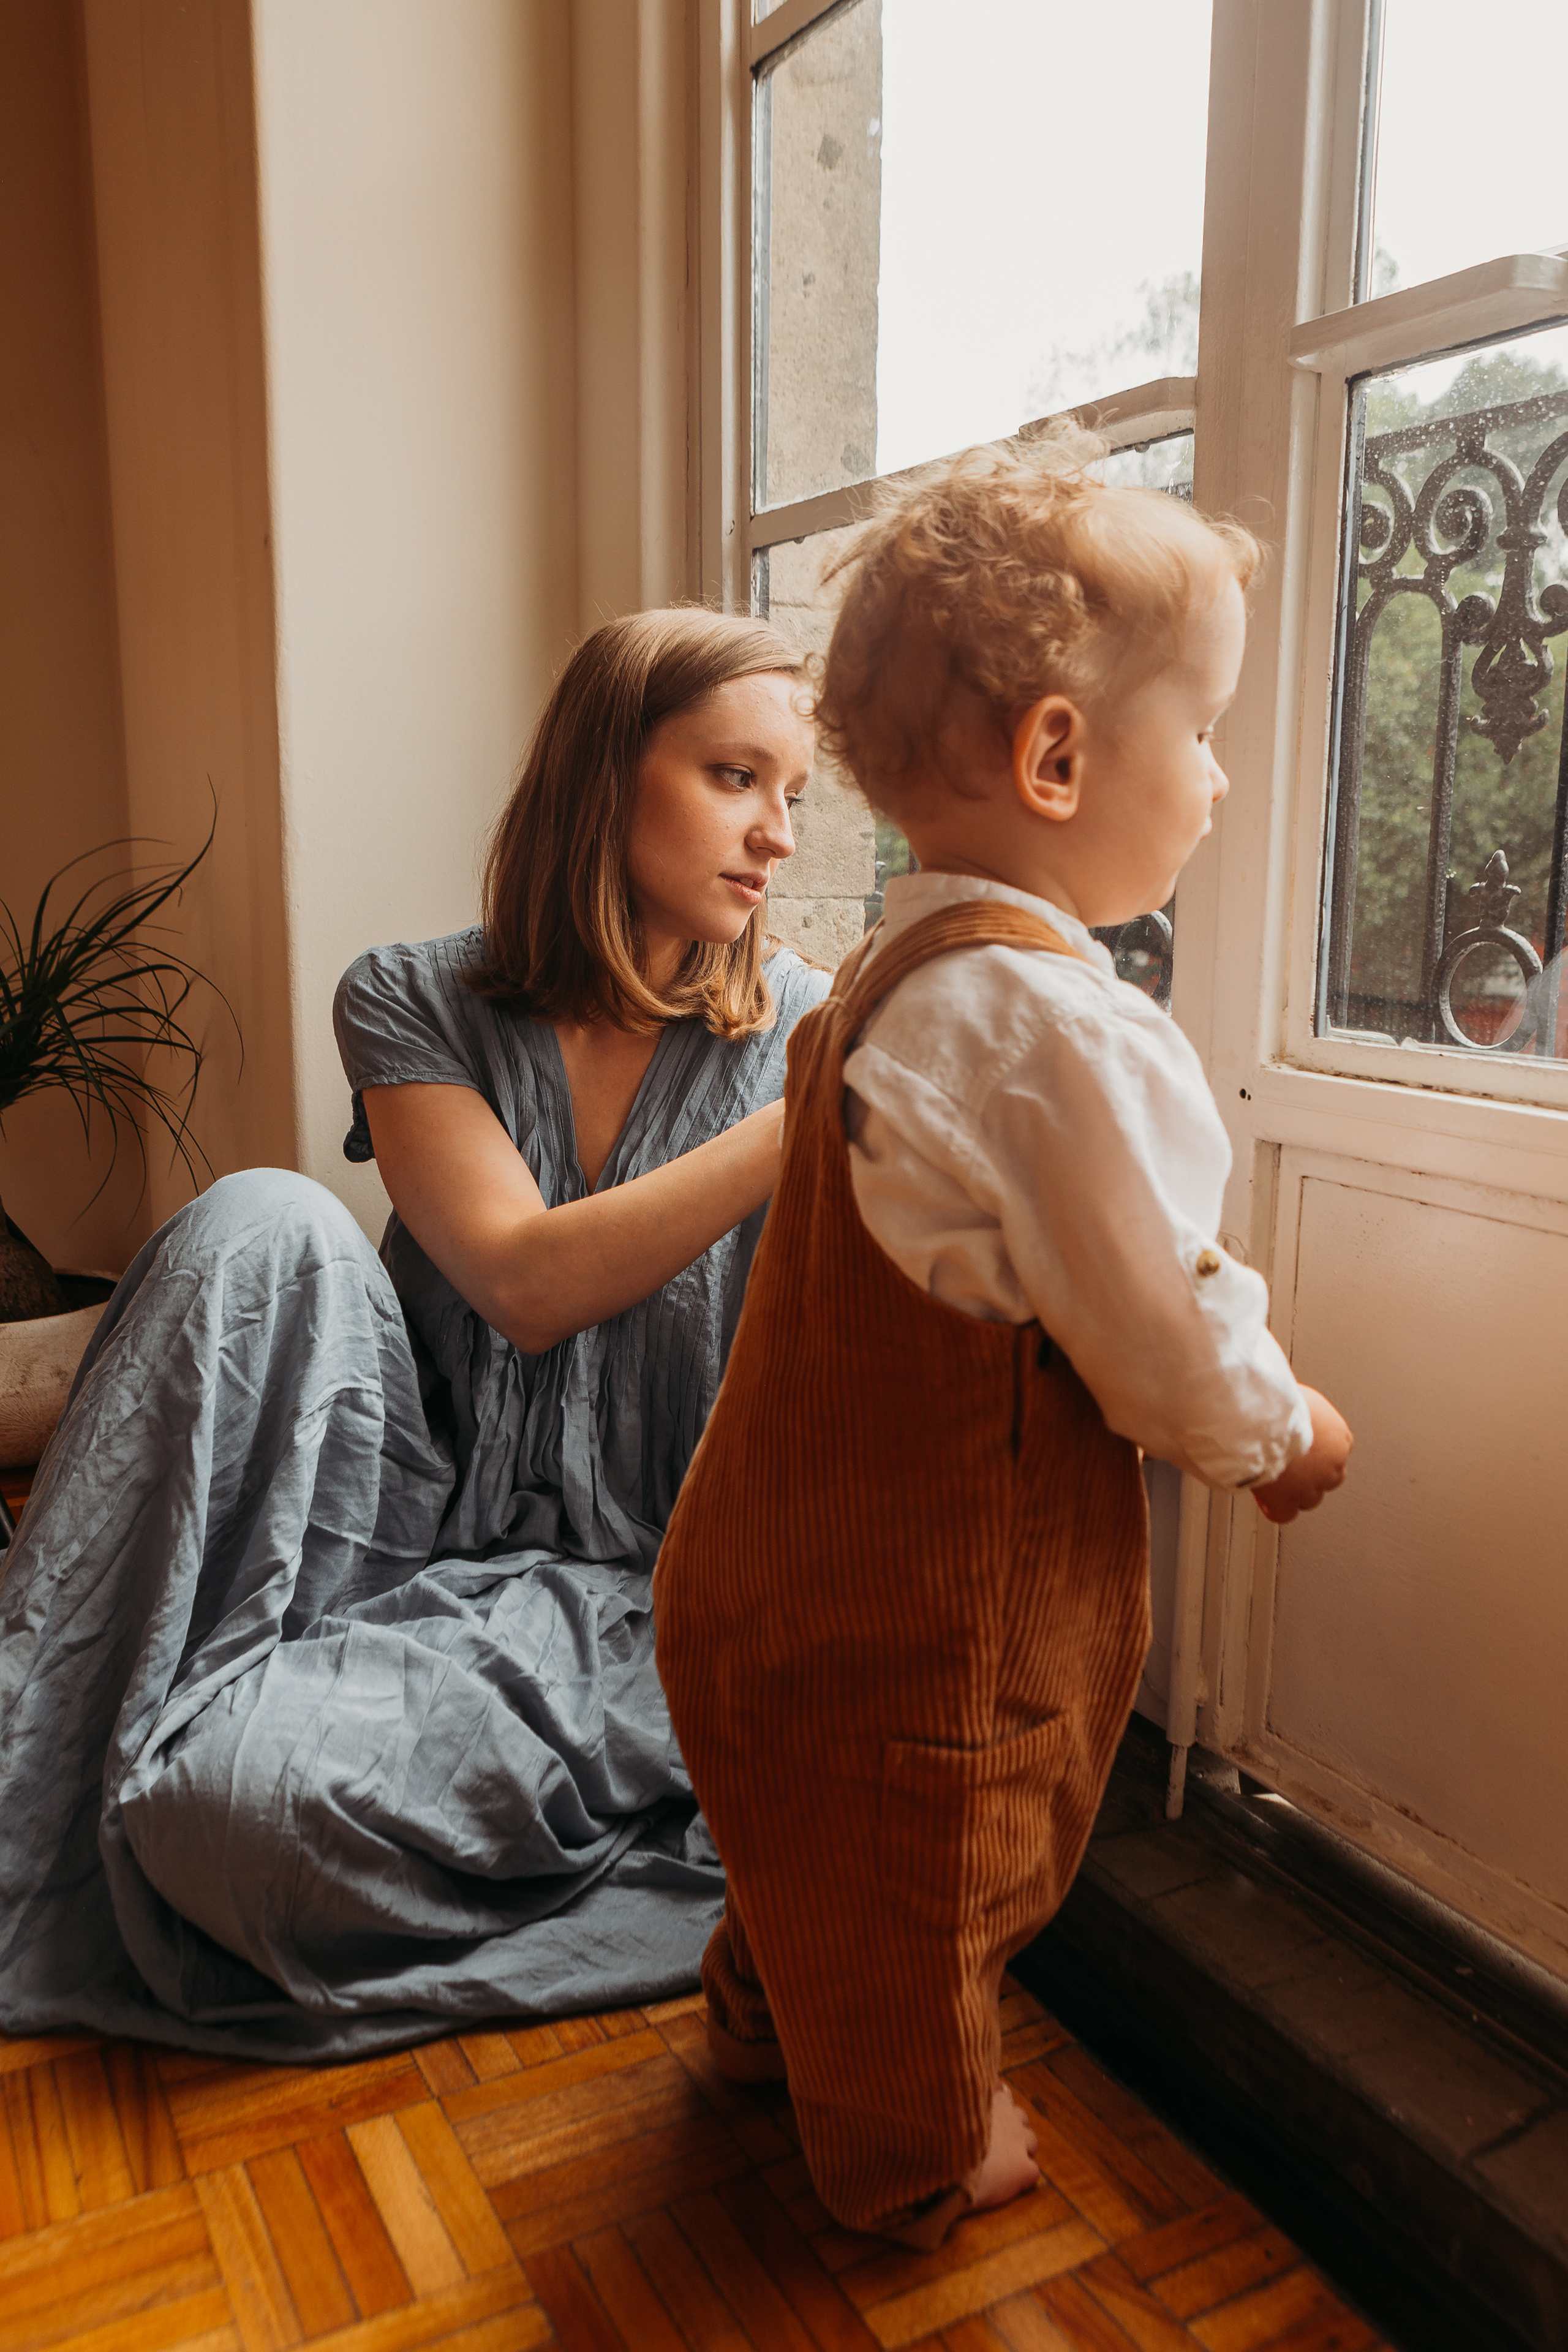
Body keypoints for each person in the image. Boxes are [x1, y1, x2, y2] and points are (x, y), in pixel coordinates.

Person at [654, 435, 1354, 2247]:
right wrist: (1278, 1438)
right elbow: (1159, 1329)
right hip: (914, 1638)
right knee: (922, 1889)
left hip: (751, 1578)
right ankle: (909, 2152)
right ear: (1057, 754)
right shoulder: (1058, 1032)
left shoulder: (877, 992)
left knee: (803, 1849)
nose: (1214, 778)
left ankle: (752, 2027)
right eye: (1201, 731)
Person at [0, 607, 826, 2059]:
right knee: (264, 1218)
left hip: (623, 1594)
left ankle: (227, 1772)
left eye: (796, 796)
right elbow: (521, 1277)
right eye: (734, 777)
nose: (778, 837)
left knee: (221, 1824)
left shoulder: (810, 1030)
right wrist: (799, 1126)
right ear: (601, 774)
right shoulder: (412, 996)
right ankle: (39, 1753)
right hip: (393, 1514)